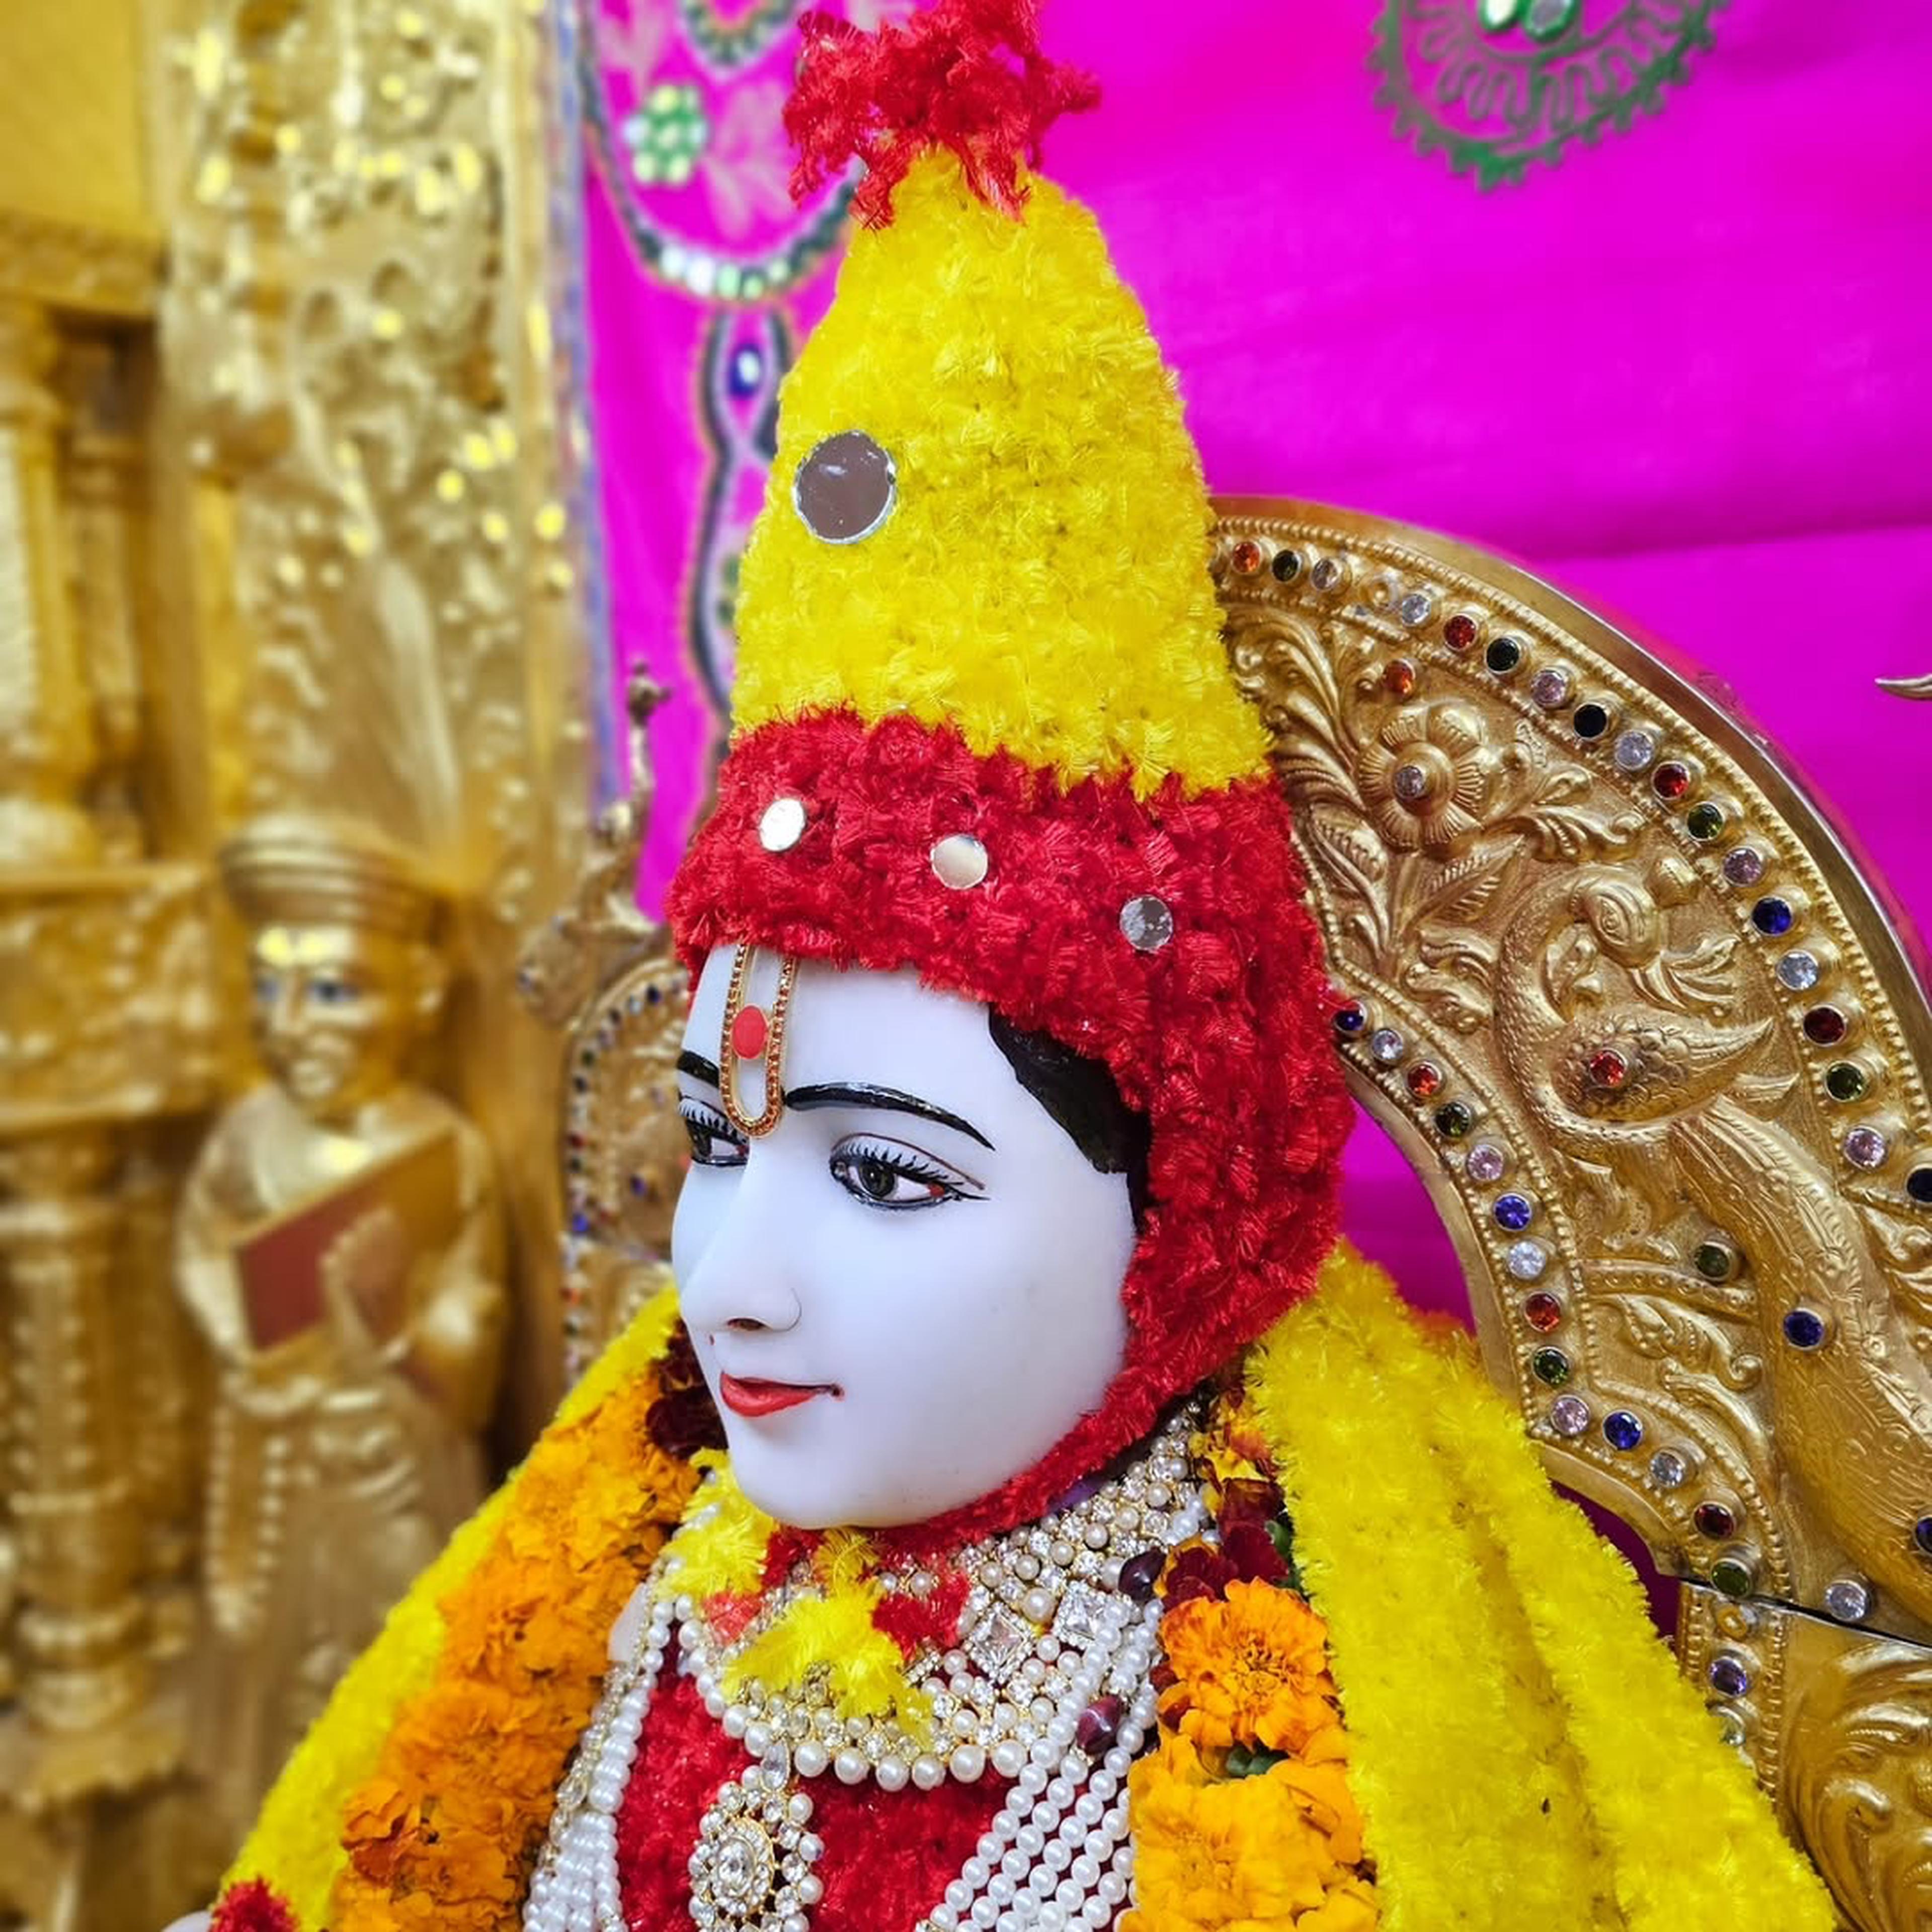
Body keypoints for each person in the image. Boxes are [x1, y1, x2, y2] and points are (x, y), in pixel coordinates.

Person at [186, 5, 1834, 1929]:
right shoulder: (626, 1529)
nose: (728, 1285)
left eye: (888, 1175)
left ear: (1181, 1218)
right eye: (716, 1143)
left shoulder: (1368, 1680)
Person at [175, 812, 506, 1846]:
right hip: (277, 1469)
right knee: (274, 1694)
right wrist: (243, 1335)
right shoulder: (249, 1139)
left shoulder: (444, 1154)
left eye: (331, 992)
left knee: (394, 1692)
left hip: (389, 1478)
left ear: (419, 994)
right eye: (267, 989)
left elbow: (473, 1342)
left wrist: (396, 1327)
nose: (288, 1026)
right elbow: (201, 1248)